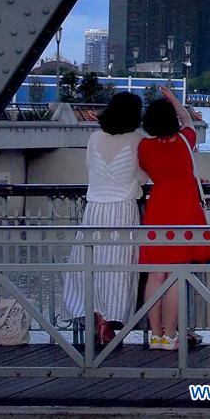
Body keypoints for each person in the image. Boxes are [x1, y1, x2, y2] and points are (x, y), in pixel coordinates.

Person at [63, 92, 148, 346]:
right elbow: (143, 178)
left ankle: (94, 315)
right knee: (119, 271)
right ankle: (111, 324)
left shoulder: (94, 137)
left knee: (91, 265)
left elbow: (91, 168)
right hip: (123, 210)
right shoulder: (137, 140)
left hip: (95, 209)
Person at [138, 86, 210, 351]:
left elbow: (156, 173)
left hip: (158, 209)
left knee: (156, 274)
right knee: (176, 275)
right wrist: (174, 100)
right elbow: (188, 121)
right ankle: (171, 335)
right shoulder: (185, 140)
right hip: (184, 211)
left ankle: (155, 335)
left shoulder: (145, 147)